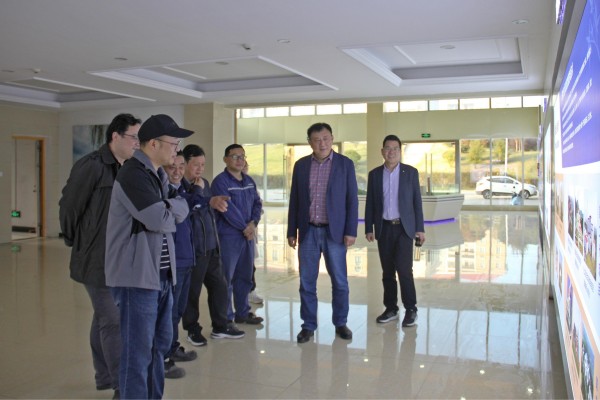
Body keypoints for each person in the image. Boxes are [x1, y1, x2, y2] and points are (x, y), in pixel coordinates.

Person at [105, 114, 193, 399]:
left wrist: (170, 207)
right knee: (138, 353)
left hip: (161, 276)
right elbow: (160, 220)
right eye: (173, 143)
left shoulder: (157, 175)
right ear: (153, 144)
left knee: (158, 347)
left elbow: (181, 206)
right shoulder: (133, 174)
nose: (177, 150)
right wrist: (171, 208)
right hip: (137, 279)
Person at [59, 113, 141, 399]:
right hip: (95, 257)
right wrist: (76, 240)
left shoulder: (126, 168)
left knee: (103, 317)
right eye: (133, 137)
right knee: (113, 320)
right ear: (115, 136)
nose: (137, 143)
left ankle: (103, 376)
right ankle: (121, 386)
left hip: (119, 257)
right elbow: (69, 207)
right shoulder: (92, 166)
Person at [287, 122, 358, 344]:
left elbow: (352, 200)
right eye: (317, 140)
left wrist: (351, 231)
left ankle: (341, 322)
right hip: (308, 231)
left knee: (340, 282)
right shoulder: (301, 166)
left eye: (326, 138)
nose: (322, 143)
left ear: (332, 139)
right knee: (307, 283)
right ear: (309, 142)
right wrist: (291, 230)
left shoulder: (345, 164)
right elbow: (295, 199)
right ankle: (308, 325)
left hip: (334, 233)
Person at [180, 144, 245, 346]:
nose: (200, 169)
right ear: (185, 164)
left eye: (203, 164)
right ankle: (192, 329)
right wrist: (201, 195)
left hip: (211, 246)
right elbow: (190, 208)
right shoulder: (179, 185)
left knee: (220, 286)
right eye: (196, 165)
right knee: (192, 292)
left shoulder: (204, 183)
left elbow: (209, 209)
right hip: (194, 249)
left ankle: (221, 326)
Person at [364, 134, 425, 327]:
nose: (391, 152)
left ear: (400, 151)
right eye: (388, 148)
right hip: (384, 229)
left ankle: (411, 309)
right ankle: (391, 308)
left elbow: (417, 202)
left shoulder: (410, 173)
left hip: (404, 229)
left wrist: (420, 229)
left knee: (405, 270)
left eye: (395, 148)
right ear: (382, 151)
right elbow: (370, 203)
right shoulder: (374, 175)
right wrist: (369, 227)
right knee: (387, 271)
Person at [212, 144, 264, 325]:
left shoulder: (249, 181)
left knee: (245, 276)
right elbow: (227, 210)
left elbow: (257, 204)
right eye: (235, 156)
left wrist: (253, 223)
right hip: (229, 237)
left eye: (242, 156)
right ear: (225, 159)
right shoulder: (220, 182)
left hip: (247, 236)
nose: (240, 160)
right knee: (227, 278)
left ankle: (243, 312)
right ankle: (226, 317)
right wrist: (245, 227)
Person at [162, 152, 197, 379]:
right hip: (173, 262)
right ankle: (165, 356)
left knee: (178, 310)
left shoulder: (184, 190)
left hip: (187, 258)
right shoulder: (164, 192)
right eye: (171, 167)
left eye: (181, 166)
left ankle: (173, 347)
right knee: (169, 312)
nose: (177, 171)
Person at [243, 161, 264, 305]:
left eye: (246, 166)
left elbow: (258, 205)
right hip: (236, 232)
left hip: (250, 230)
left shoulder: (250, 184)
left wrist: (252, 223)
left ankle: (251, 291)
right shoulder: (224, 183)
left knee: (250, 265)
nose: (243, 168)